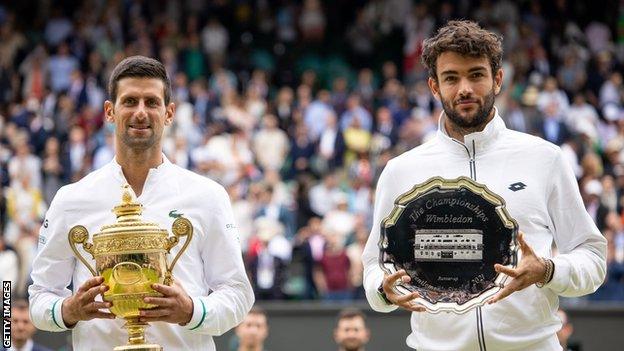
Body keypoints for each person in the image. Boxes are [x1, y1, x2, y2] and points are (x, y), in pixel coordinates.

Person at [362, 20, 607, 351]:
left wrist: (547, 270)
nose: (464, 88)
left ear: (498, 80)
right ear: (434, 87)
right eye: (451, 78)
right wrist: (383, 289)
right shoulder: (401, 170)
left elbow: (592, 258)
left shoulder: (545, 159)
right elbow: (374, 266)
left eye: (476, 74)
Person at [28, 56, 254, 350]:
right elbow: (39, 296)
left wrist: (192, 311)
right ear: (110, 112)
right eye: (130, 101)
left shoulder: (207, 195)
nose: (140, 112)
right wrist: (68, 310)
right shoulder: (71, 199)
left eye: (151, 102)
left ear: (169, 113)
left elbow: (238, 294)